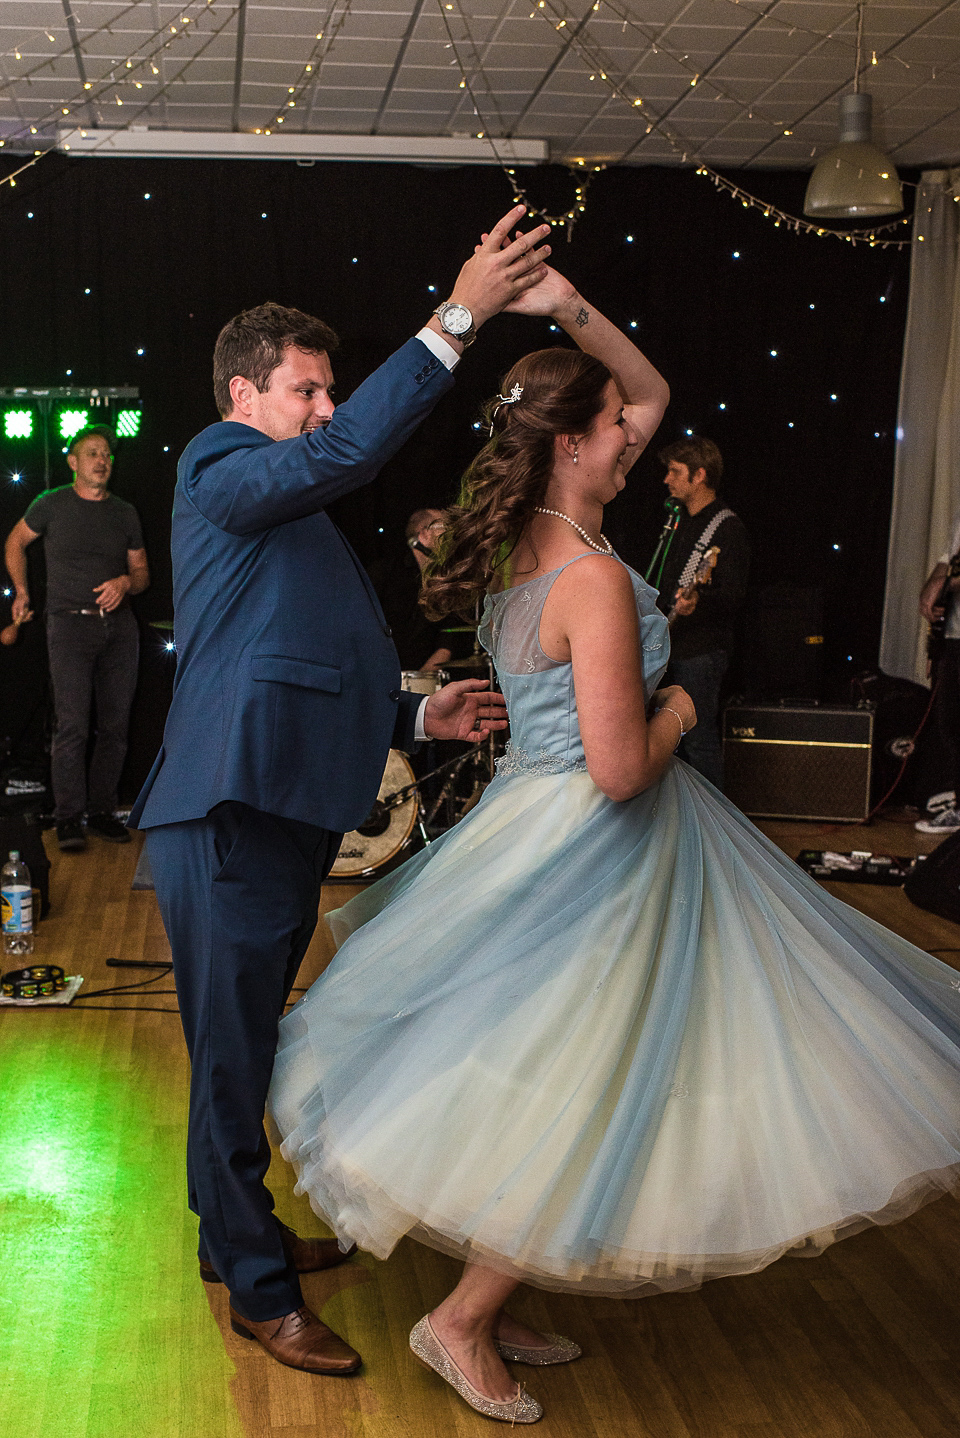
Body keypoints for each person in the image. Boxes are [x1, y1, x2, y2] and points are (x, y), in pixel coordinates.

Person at [269, 267, 960, 1426]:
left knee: (556, 1063)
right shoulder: (590, 576)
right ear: (577, 444)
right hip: (597, 841)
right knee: (584, 1078)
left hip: (540, 826)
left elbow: (646, 384)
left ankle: (502, 1283)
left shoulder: (530, 544)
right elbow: (623, 765)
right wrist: (694, 700)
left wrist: (565, 303)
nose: (637, 439)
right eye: (617, 433)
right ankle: (465, 1317)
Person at [128, 204, 553, 1379]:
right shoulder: (221, 465)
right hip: (228, 814)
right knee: (228, 1062)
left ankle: (239, 1240)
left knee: (244, 1049)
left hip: (274, 810)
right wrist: (460, 313)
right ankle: (258, 1294)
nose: (323, 408)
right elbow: (344, 453)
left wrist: (419, 713)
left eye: (326, 390)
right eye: (307, 388)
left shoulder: (289, 518)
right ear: (243, 399)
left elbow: (304, 661)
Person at [4, 425, 149, 850]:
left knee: (115, 728)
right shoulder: (50, 505)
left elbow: (143, 574)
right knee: (72, 727)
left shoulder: (125, 512)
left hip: (119, 630)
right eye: (92, 453)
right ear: (73, 462)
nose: (102, 460)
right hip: (68, 626)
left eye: (106, 454)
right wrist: (23, 591)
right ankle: (69, 818)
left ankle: (102, 812)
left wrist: (125, 582)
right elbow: (14, 543)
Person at [653, 438, 750, 790]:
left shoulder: (726, 529)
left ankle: (715, 823)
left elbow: (733, 596)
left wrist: (699, 603)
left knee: (699, 737)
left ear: (700, 475)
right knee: (668, 736)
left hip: (702, 651)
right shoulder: (678, 522)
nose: (667, 479)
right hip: (671, 644)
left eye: (676, 472)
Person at [367, 508, 453, 672]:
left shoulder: (448, 580)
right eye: (444, 526)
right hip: (381, 674)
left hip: (423, 683)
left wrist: (417, 683)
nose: (451, 533)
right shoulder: (384, 572)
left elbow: (447, 643)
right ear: (424, 534)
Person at [916, 518, 960, 833]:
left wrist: (945, 583)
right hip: (954, 636)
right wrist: (933, 587)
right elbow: (949, 559)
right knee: (950, 724)